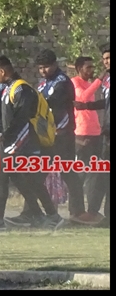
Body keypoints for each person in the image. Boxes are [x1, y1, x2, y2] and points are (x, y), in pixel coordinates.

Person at [0, 56, 66, 230]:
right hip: (10, 144)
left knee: (31, 181)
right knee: (12, 180)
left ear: (2, 71)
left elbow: (21, 119)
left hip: (22, 145)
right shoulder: (9, 88)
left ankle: (51, 216)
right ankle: (30, 216)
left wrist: (2, 136)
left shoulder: (22, 89)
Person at [30, 49, 77, 226]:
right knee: (37, 174)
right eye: (40, 68)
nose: (43, 71)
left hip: (62, 134)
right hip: (46, 136)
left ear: (55, 64)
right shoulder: (43, 83)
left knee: (68, 172)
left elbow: (51, 103)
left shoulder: (62, 82)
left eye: (46, 67)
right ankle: (32, 212)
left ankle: (77, 212)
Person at [74, 46, 110, 225]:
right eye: (105, 58)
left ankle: (96, 212)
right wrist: (88, 106)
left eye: (109, 58)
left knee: (101, 173)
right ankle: (91, 212)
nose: (106, 62)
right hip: (102, 133)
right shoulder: (106, 80)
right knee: (100, 173)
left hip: (101, 133)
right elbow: (105, 102)